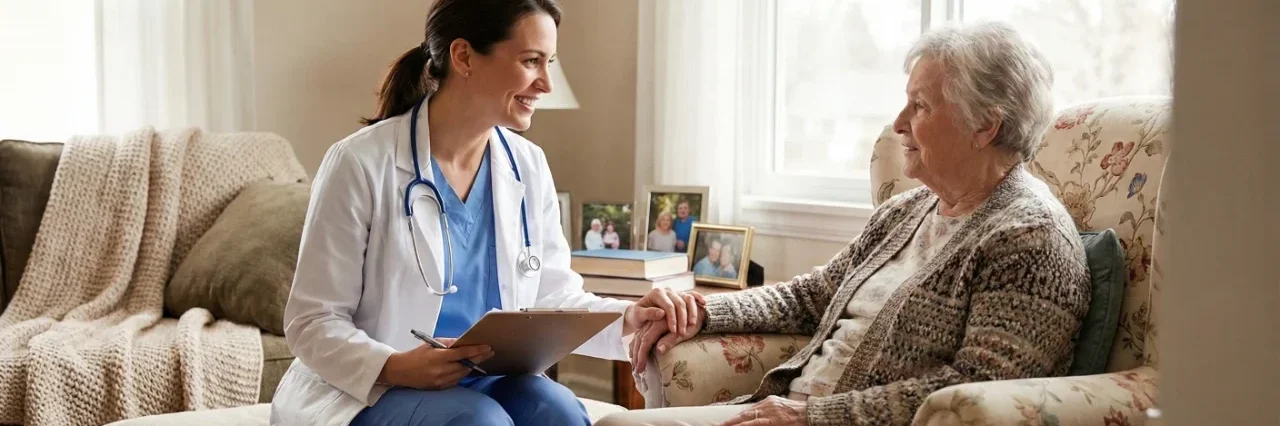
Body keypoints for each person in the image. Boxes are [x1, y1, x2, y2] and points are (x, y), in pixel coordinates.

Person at [601, 22, 1090, 426]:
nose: (898, 123)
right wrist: (703, 313)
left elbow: (977, 393)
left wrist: (815, 416)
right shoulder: (909, 210)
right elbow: (812, 296)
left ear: (986, 126)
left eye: (919, 105)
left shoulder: (1030, 239)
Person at [269, 1, 702, 425]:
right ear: (464, 57)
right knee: (478, 420)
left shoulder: (527, 166)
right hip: (369, 387)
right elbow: (312, 321)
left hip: (486, 380)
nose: (546, 83)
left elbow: (552, 299)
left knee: (562, 412)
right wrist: (398, 366)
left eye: (549, 62)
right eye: (531, 61)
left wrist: (629, 314)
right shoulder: (360, 163)